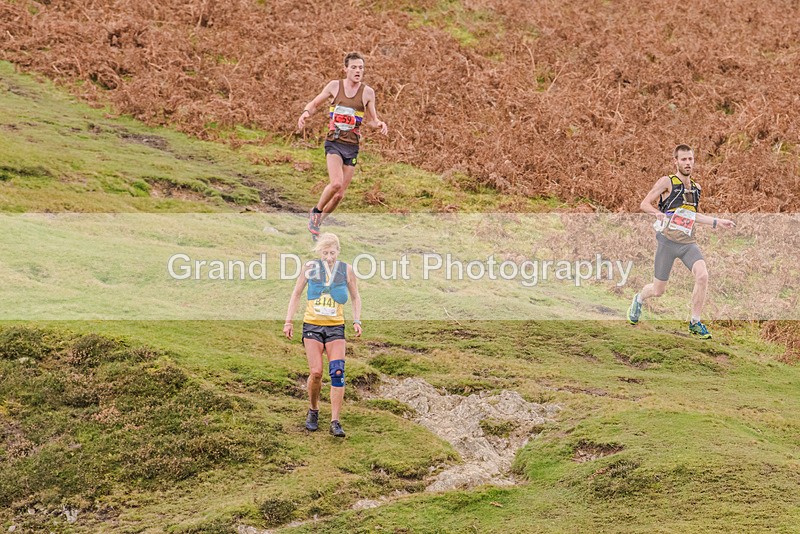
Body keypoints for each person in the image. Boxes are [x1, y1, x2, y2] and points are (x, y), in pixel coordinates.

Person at [627, 144, 735, 338]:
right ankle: (639, 298)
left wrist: (717, 222)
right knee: (658, 291)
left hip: (688, 244)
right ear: (675, 161)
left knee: (702, 275)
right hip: (667, 243)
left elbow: (693, 215)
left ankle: (695, 322)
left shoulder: (696, 188)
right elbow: (644, 204)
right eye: (683, 159)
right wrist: (657, 213)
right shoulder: (667, 182)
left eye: (690, 159)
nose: (687, 163)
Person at [297, 51, 388, 240]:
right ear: (345, 69)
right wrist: (306, 112)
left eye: (361, 68)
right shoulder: (334, 86)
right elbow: (315, 103)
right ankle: (316, 211)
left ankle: (317, 224)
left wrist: (379, 124)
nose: (358, 71)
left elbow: (372, 120)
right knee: (336, 183)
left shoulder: (368, 93)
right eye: (354, 67)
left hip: (352, 146)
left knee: (339, 195)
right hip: (334, 143)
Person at [284, 233, 362, 437]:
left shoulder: (346, 270)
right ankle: (313, 409)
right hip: (313, 326)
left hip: (335, 327)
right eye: (325, 253)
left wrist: (357, 320)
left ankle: (335, 421)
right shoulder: (310, 268)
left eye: (332, 253)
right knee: (317, 372)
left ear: (338, 251)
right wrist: (289, 321)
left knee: (337, 372)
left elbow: (355, 297)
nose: (329, 257)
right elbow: (296, 293)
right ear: (319, 252)